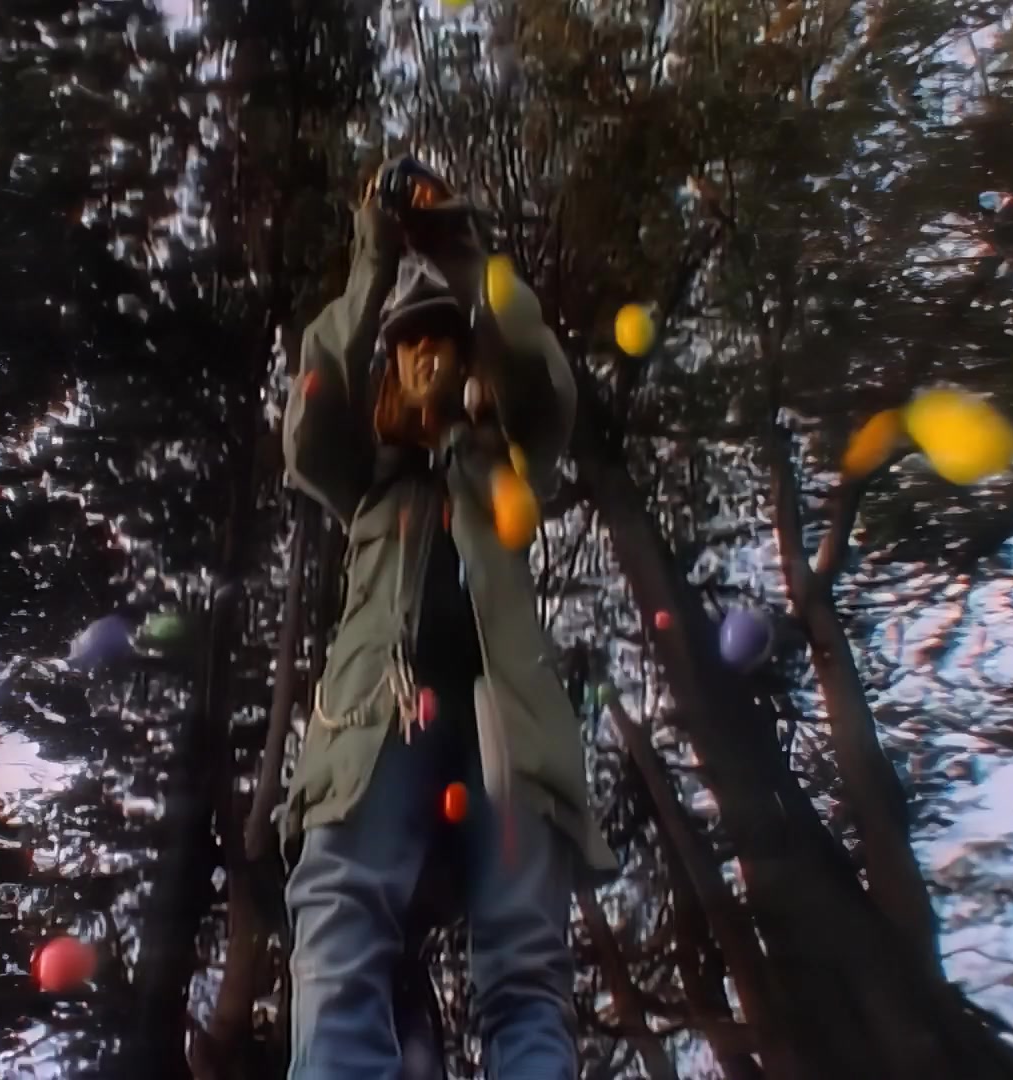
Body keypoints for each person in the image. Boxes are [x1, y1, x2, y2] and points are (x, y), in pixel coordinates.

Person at [277, 157, 617, 1079]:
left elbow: (543, 383)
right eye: (406, 344)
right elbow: (311, 415)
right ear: (388, 368)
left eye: (443, 339)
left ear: (468, 359)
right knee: (340, 925)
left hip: (510, 722)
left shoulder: (511, 458)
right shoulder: (365, 476)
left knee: (525, 965)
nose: (426, 353)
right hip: (373, 717)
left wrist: (463, 254)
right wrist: (376, 254)